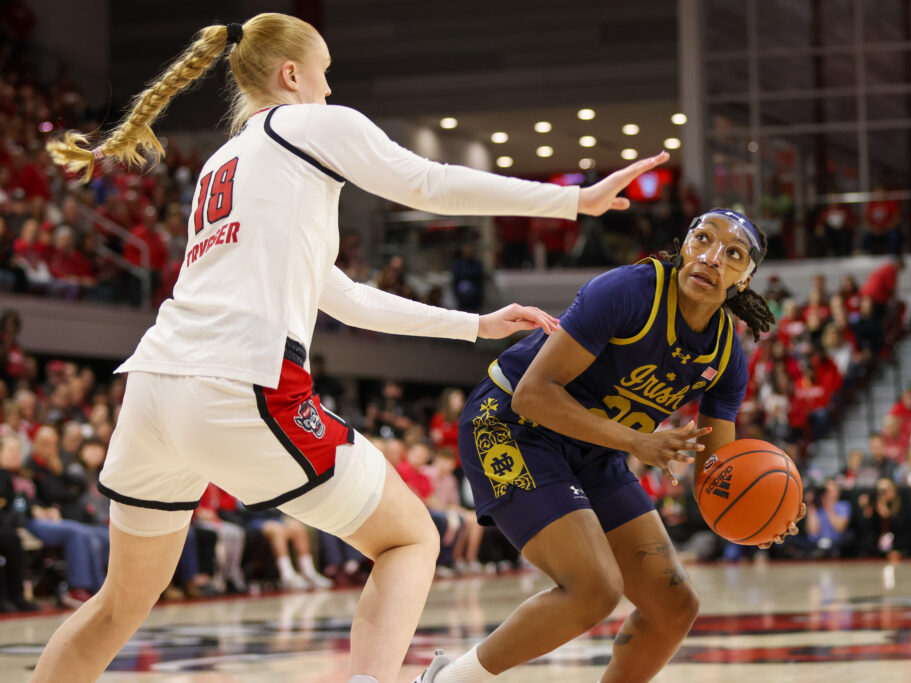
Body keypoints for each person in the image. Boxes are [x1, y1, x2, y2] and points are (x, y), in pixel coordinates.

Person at [37, 13, 665, 683]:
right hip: (239, 382)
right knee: (410, 537)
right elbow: (427, 183)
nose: (331, 91)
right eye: (326, 75)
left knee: (116, 604)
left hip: (154, 389)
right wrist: (571, 202)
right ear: (291, 75)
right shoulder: (310, 125)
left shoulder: (225, 162)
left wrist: (471, 324)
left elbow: (336, 294)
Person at [428, 209, 805, 683]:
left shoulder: (724, 359)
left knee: (674, 606)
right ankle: (447, 680)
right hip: (511, 422)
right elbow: (534, 394)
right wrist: (637, 442)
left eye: (732, 254)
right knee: (593, 589)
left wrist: (762, 516)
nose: (712, 257)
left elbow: (716, 479)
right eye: (703, 239)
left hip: (593, 447)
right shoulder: (628, 291)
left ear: (745, 279)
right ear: (683, 246)